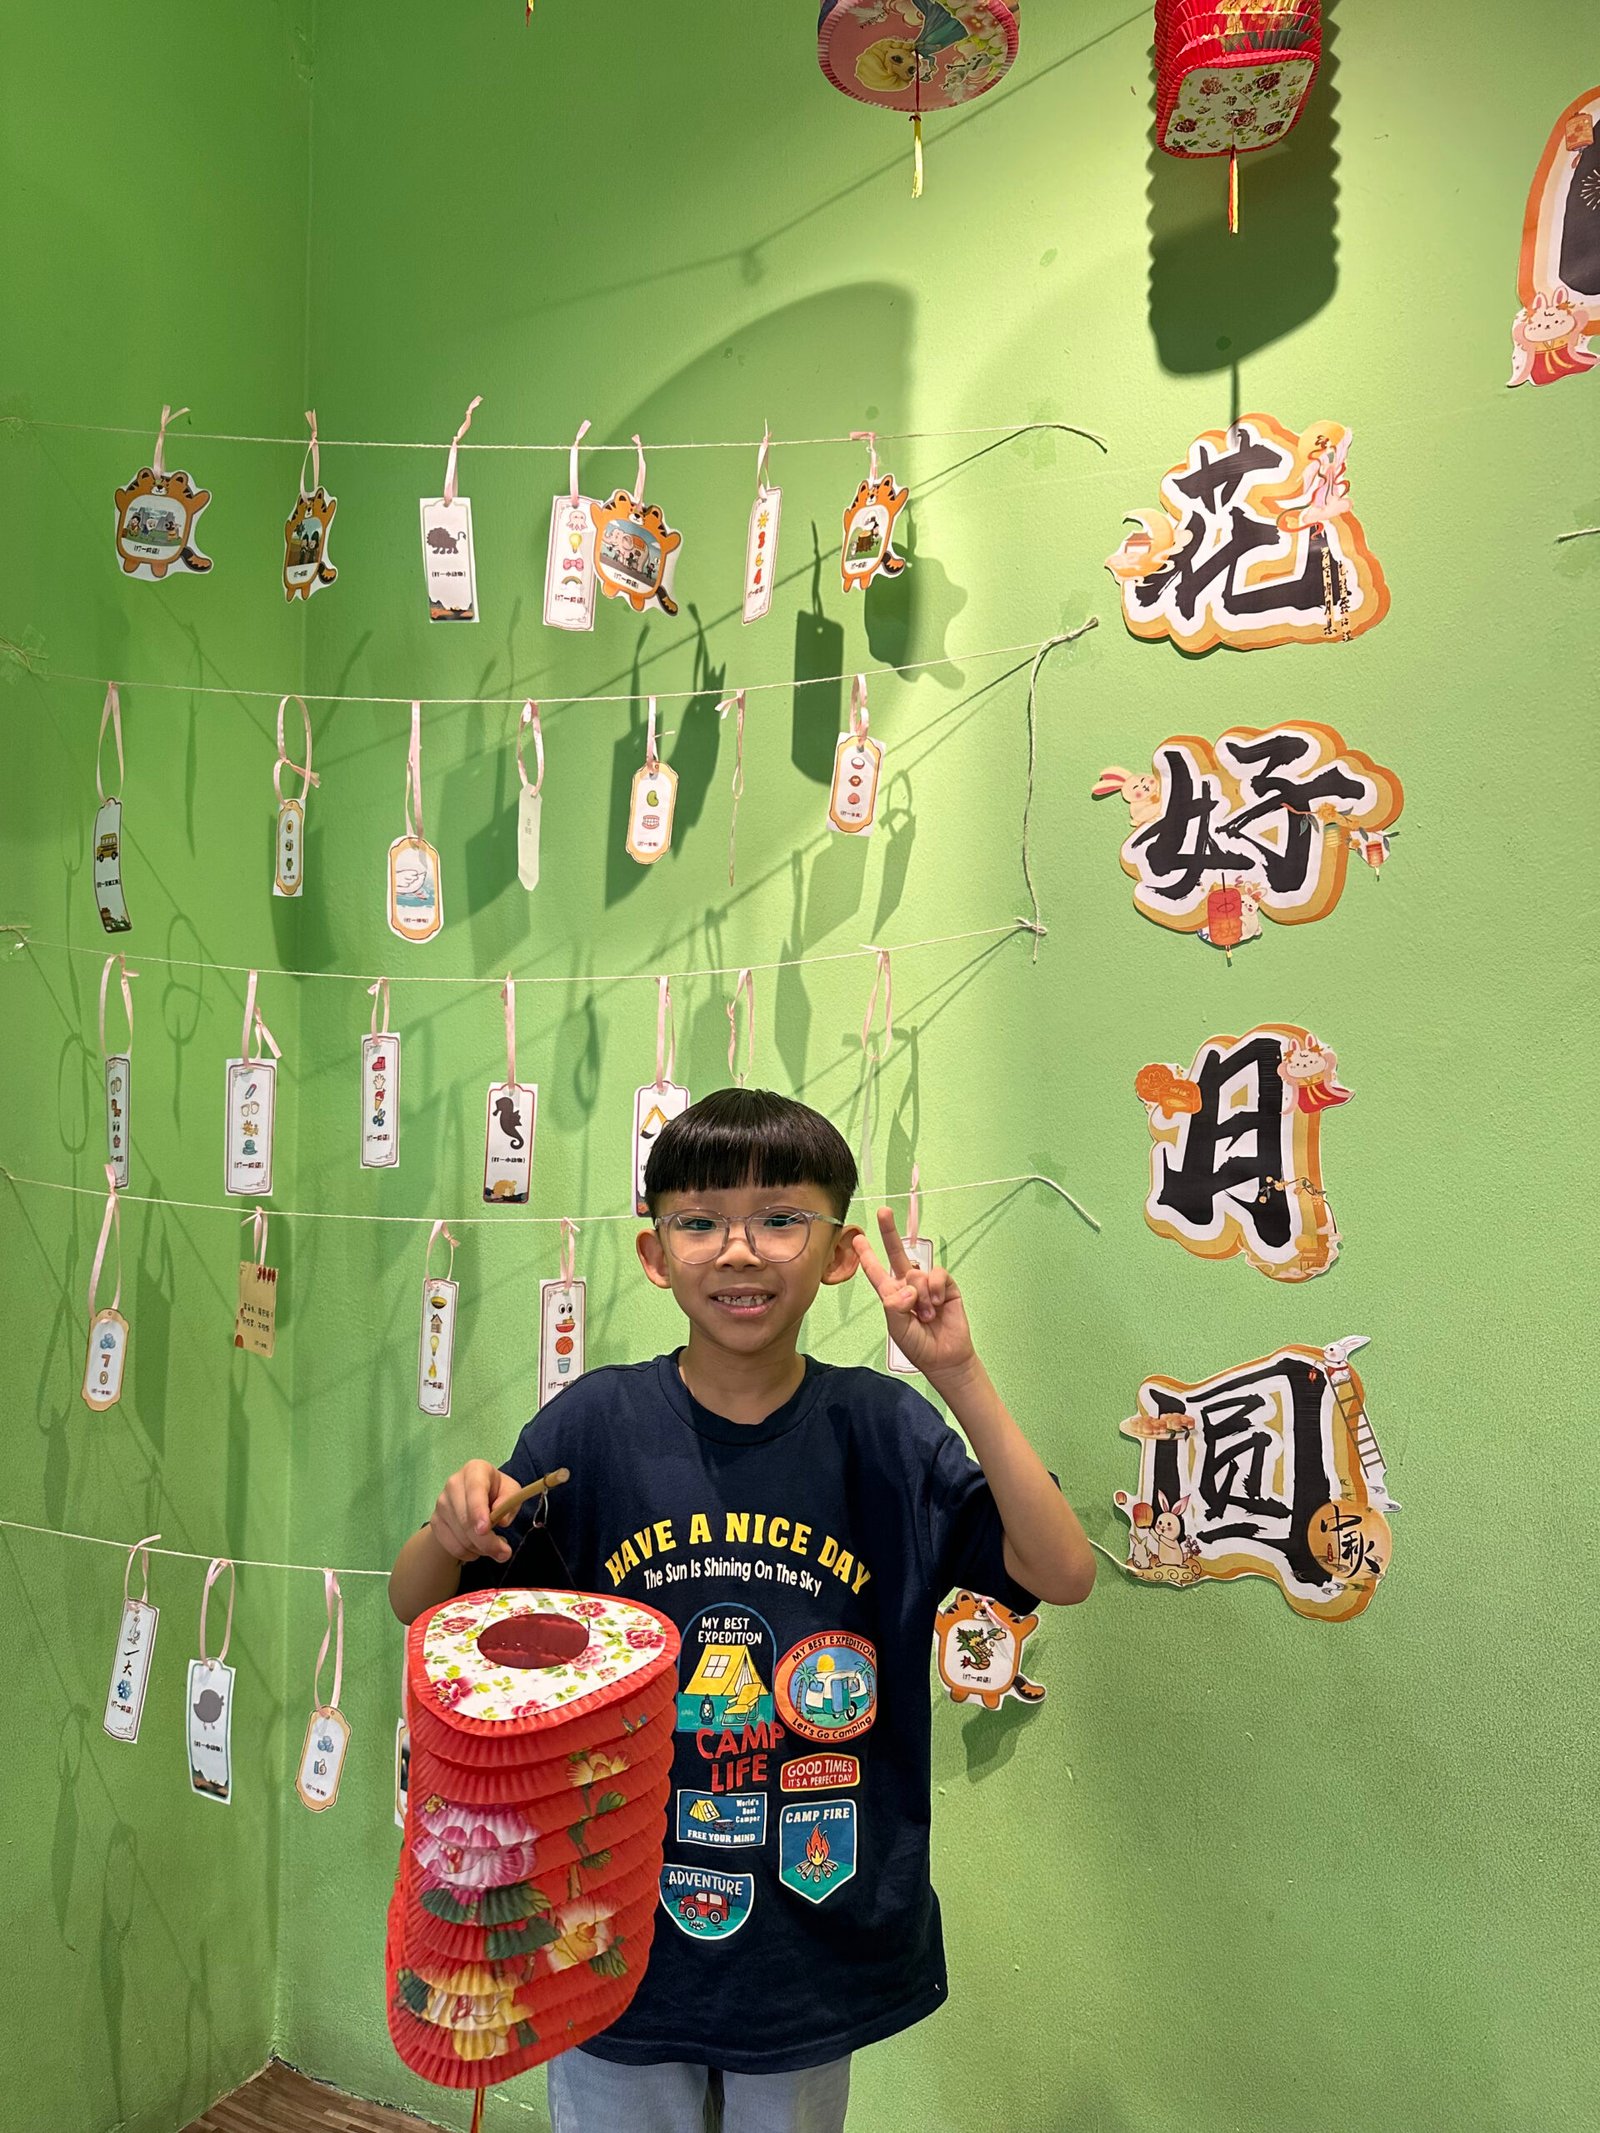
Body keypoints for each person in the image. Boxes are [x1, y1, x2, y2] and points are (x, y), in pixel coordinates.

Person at [389, 1088, 1094, 2133]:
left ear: (841, 1253)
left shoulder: (884, 1427)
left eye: (779, 1218)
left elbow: (1062, 1569)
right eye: (700, 1221)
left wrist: (956, 1371)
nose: (738, 1250)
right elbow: (419, 1609)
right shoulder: (596, 1424)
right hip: (606, 1918)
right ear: (654, 1253)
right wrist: (451, 1532)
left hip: (808, 1925)